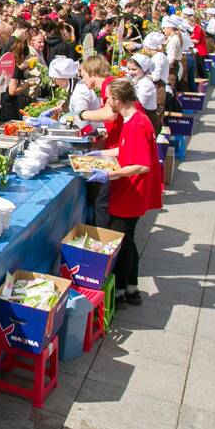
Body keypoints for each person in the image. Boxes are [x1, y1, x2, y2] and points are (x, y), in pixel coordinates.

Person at [83, 78, 162, 307]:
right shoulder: (133, 119)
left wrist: (108, 175)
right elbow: (127, 148)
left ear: (117, 100)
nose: (106, 102)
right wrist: (103, 155)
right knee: (127, 241)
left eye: (109, 98)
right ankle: (131, 288)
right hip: (127, 190)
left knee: (122, 242)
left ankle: (120, 292)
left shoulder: (137, 123)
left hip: (131, 192)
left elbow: (142, 164)